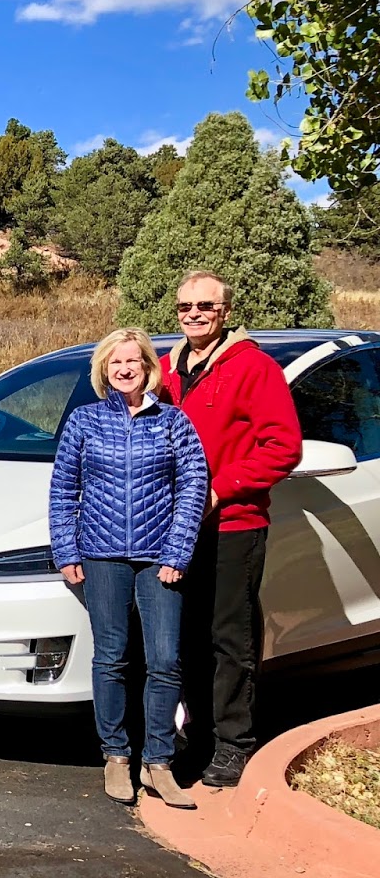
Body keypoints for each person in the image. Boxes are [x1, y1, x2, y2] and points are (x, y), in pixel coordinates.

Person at [50, 328, 209, 809]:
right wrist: (66, 550)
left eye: (132, 361)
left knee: (165, 659)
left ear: (147, 368)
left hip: (159, 558)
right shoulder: (84, 420)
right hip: (101, 555)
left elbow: (194, 487)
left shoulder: (173, 422)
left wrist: (177, 552)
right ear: (104, 370)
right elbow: (63, 490)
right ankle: (116, 757)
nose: (124, 369)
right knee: (111, 657)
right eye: (115, 362)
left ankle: (158, 763)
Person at [160, 271, 303, 788]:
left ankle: (233, 744)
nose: (194, 314)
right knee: (186, 636)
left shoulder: (254, 368)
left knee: (229, 638)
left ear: (225, 311)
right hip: (174, 528)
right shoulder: (165, 369)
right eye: (185, 307)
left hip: (233, 525)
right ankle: (196, 737)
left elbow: (283, 447)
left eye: (205, 306)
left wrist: (220, 490)